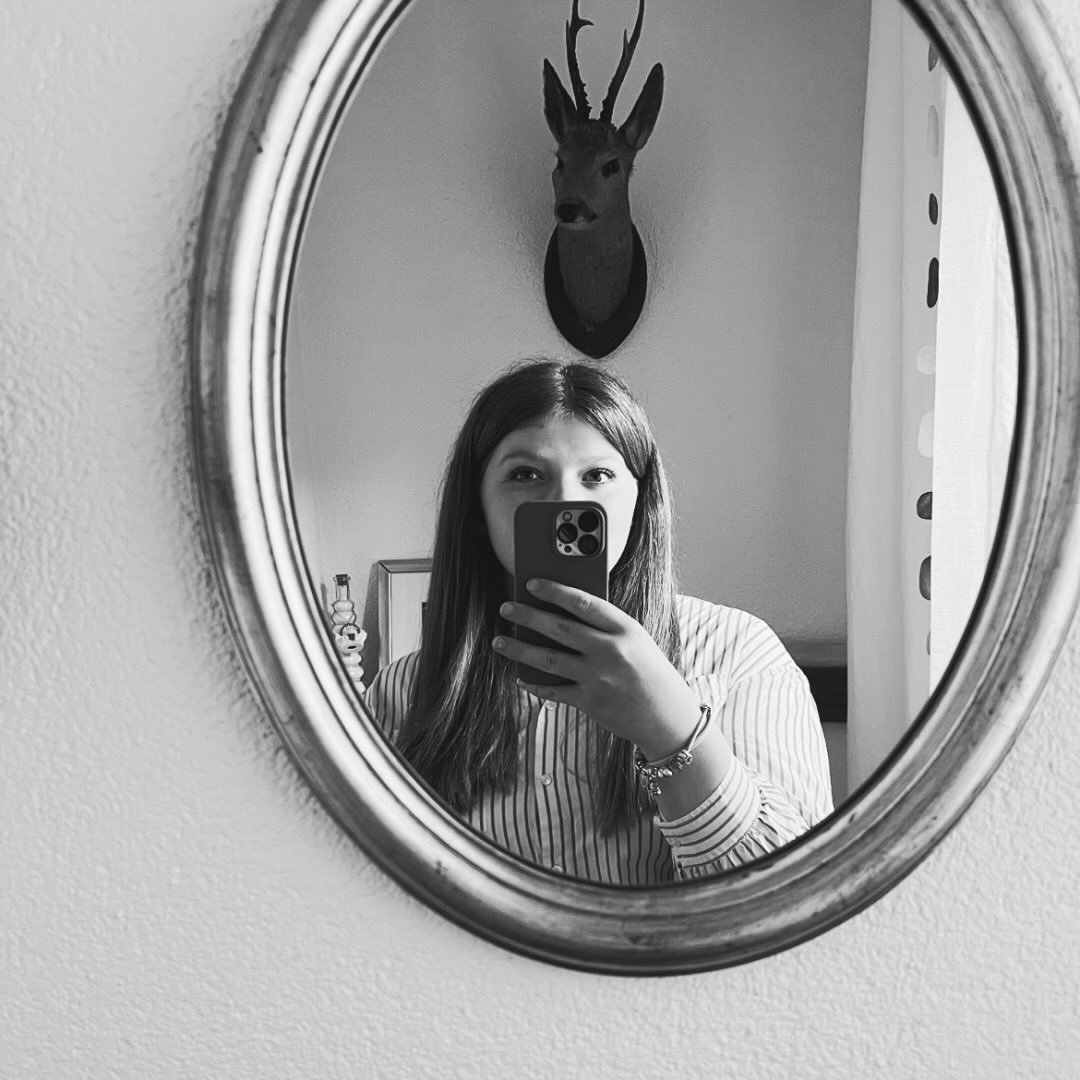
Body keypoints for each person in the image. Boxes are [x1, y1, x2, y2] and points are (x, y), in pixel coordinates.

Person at [365, 359, 833, 884]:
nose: (566, 503)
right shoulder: (402, 692)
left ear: (640, 498)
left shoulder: (736, 655)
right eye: (525, 474)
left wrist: (671, 729)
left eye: (598, 476)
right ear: (477, 506)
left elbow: (794, 892)